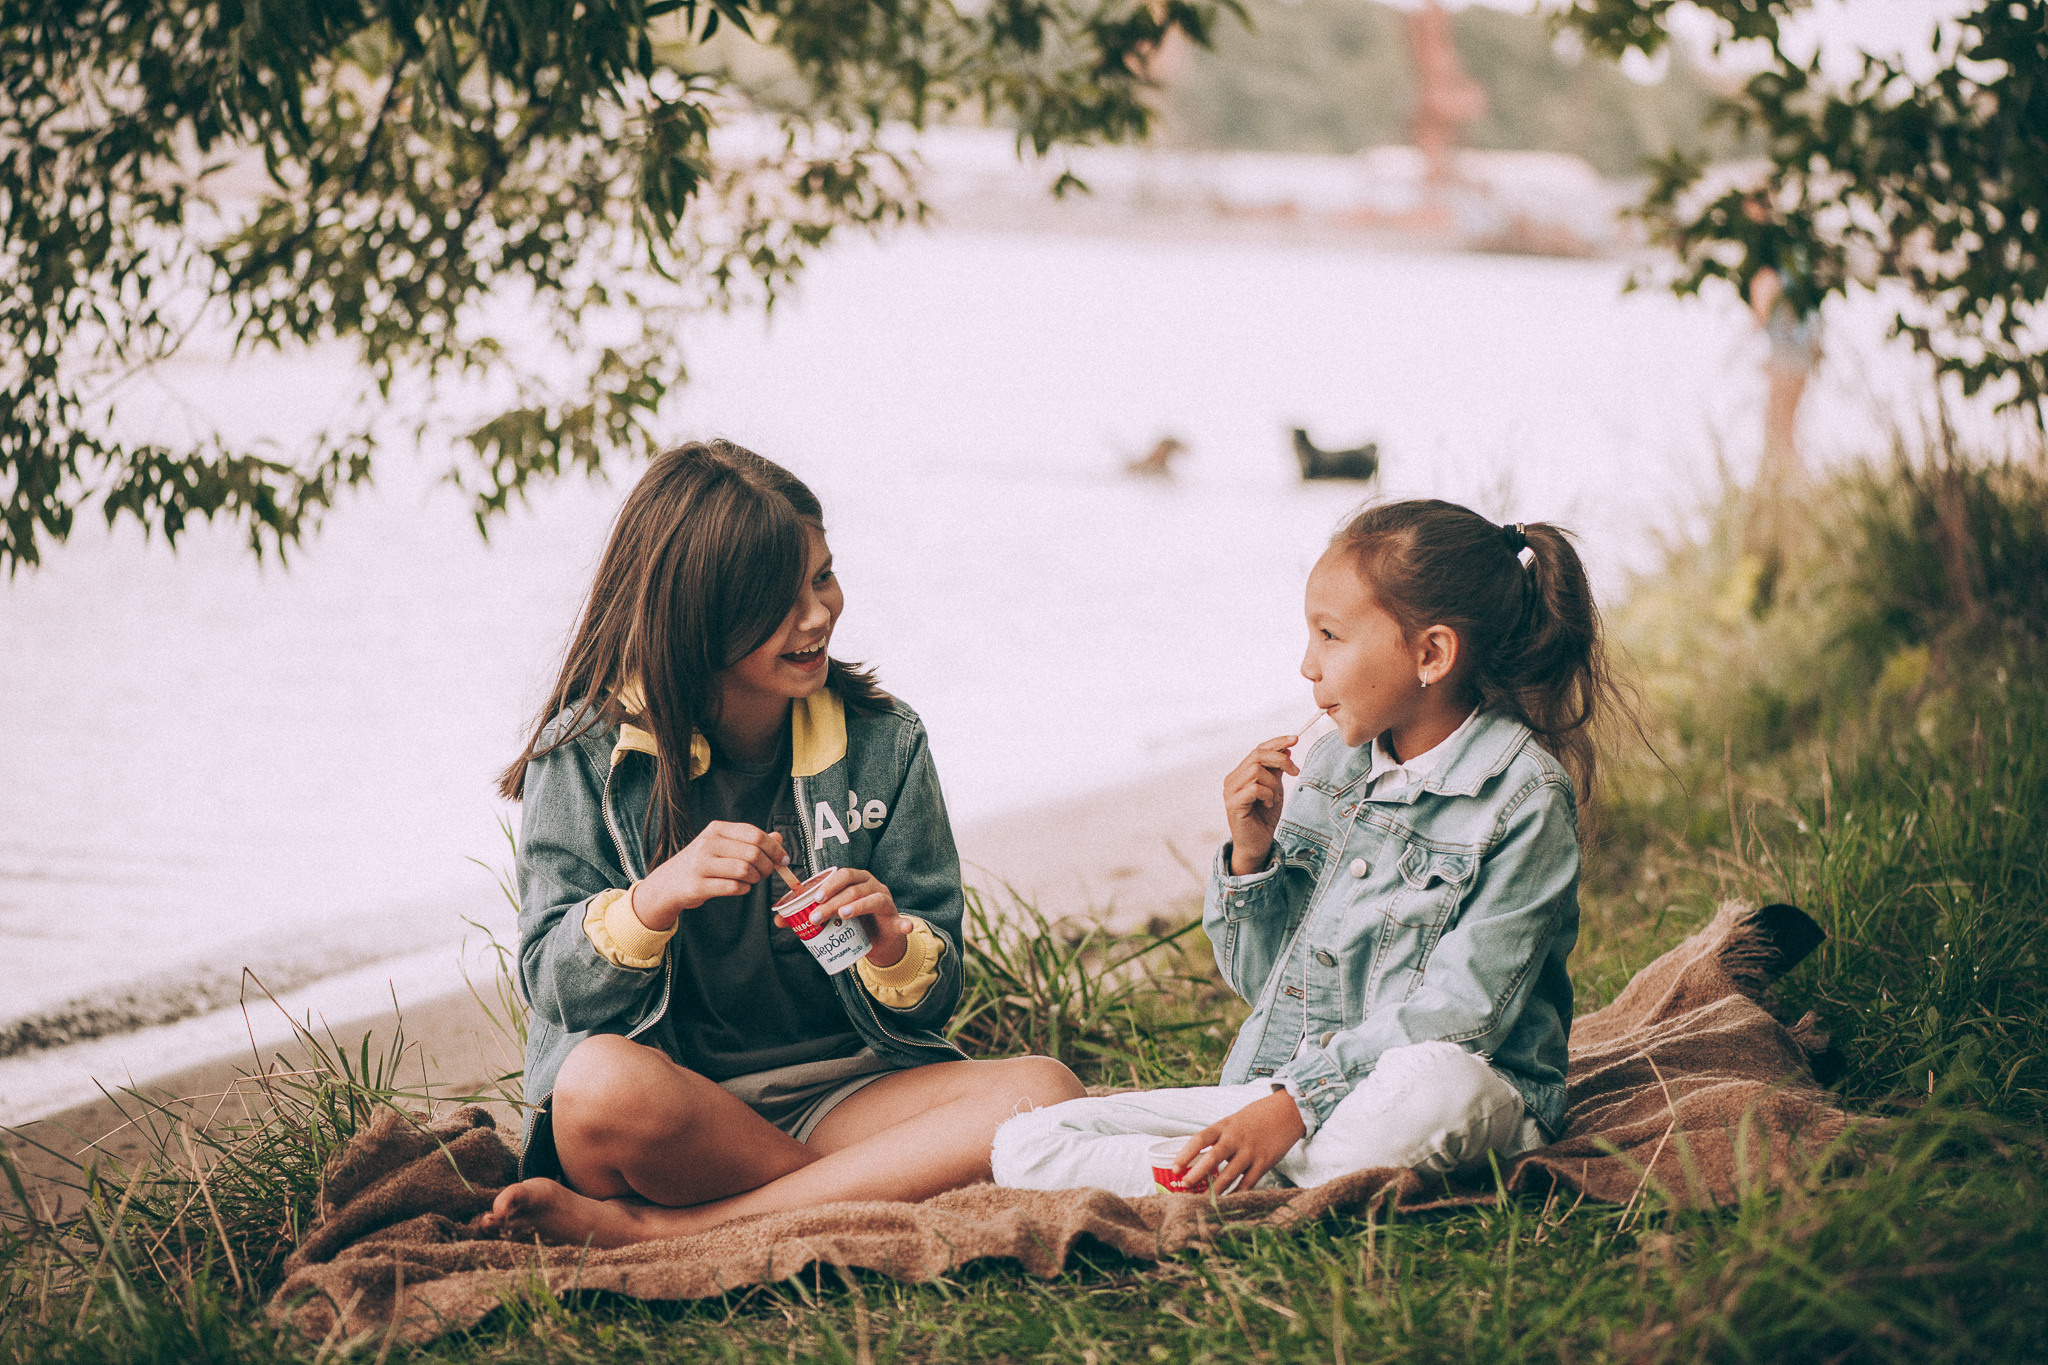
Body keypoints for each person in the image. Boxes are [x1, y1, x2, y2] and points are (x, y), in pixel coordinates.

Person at [482, 440, 1083, 1247]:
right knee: (594, 1084)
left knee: (1049, 1089)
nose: (817, 615)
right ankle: (875, 1184)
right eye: (778, 598)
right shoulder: (585, 756)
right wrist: (651, 900)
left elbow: (934, 996)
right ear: (699, 610)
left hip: (848, 1096)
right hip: (675, 1110)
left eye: (823, 576)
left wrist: (890, 943)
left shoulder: (885, 742)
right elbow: (553, 988)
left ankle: (671, 1231)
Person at [993, 500, 1618, 1197]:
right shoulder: (1331, 769)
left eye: (1330, 635)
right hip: (1290, 1090)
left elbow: (1464, 1013)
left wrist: (1295, 1105)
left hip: (1455, 1093)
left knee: (1431, 1085)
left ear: (1431, 654)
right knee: (1026, 1141)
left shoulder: (1523, 797)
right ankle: (1246, 1171)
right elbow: (1268, 985)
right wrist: (1250, 858)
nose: (1306, 665)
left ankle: (1229, 1170)